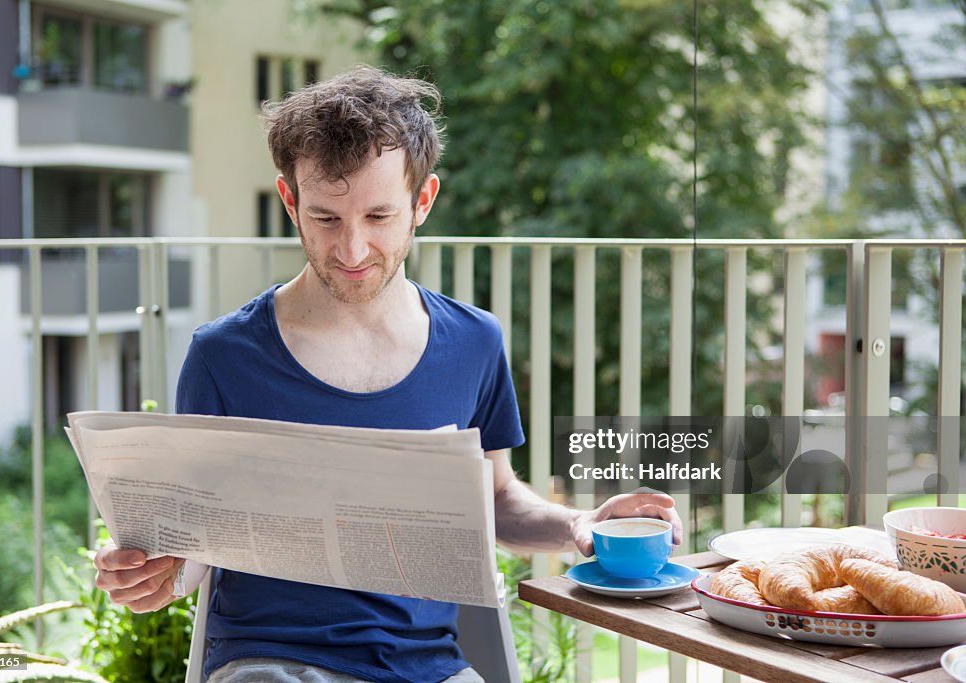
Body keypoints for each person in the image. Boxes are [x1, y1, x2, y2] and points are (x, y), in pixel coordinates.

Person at [93, 65, 682, 683]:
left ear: (421, 202)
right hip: (271, 665)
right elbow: (193, 543)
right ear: (289, 200)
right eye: (325, 218)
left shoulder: (475, 342)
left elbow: (497, 498)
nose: (351, 251)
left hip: (427, 668)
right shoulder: (224, 356)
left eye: (378, 217)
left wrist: (579, 526)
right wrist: (154, 572)